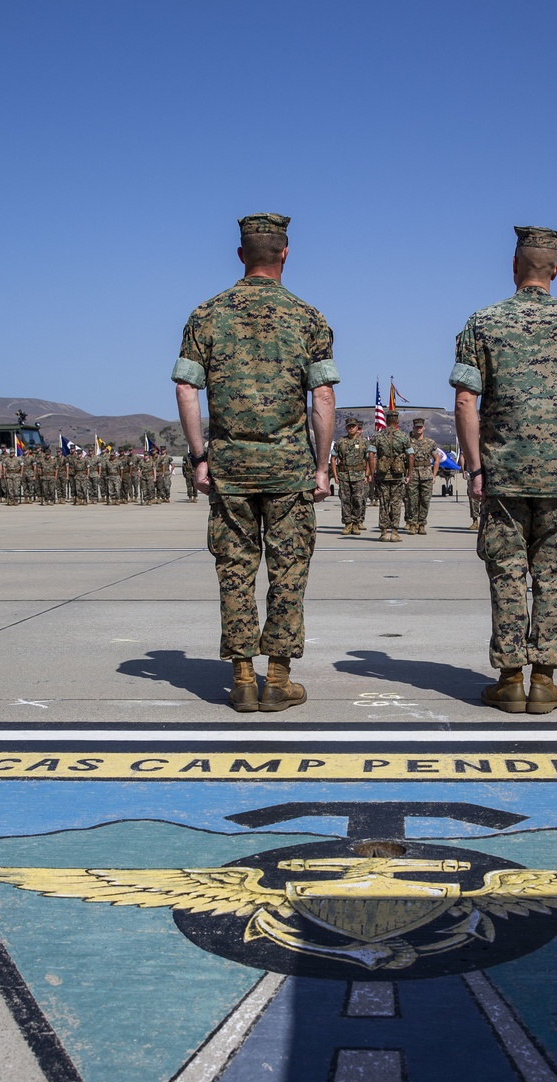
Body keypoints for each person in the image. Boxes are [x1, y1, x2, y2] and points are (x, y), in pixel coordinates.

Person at [173, 211, 338, 712]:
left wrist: (200, 456)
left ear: (241, 254)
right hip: (287, 470)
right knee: (288, 572)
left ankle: (242, 677)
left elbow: (186, 388)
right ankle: (278, 678)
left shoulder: (207, 314)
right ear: (285, 253)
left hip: (230, 468)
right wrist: (322, 466)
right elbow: (324, 398)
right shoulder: (308, 316)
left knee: (235, 571)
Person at [452, 223, 557, 714]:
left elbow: (465, 399)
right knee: (554, 575)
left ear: (514, 267)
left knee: (506, 574)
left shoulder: (482, 323)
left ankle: (509, 679)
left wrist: (476, 469)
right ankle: (544, 680)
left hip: (503, 476)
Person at [371, 407, 412, 542]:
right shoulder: (404, 437)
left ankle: (383, 532)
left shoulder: (377, 436)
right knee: (396, 503)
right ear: (397, 421)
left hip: (382, 475)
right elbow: (410, 455)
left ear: (386, 420)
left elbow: (371, 454)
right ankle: (394, 532)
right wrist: (409, 474)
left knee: (383, 503)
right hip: (397, 475)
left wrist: (372, 473)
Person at [331, 416, 371, 535]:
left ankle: (356, 523)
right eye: (349, 426)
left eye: (353, 426)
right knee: (345, 501)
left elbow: (369, 459)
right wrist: (335, 475)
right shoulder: (340, 442)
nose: (351, 428)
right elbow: (333, 459)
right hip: (344, 475)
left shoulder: (364, 443)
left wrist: (367, 474)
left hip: (359, 476)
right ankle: (348, 524)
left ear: (357, 427)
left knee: (358, 500)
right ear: (346, 428)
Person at [404, 417, 439, 533]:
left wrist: (434, 475)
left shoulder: (430, 443)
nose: (418, 429)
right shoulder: (408, 442)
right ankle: (413, 523)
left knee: (425, 500)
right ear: (413, 428)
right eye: (416, 427)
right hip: (413, 474)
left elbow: (436, 459)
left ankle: (422, 523)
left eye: (420, 427)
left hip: (426, 475)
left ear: (424, 428)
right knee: (412, 501)